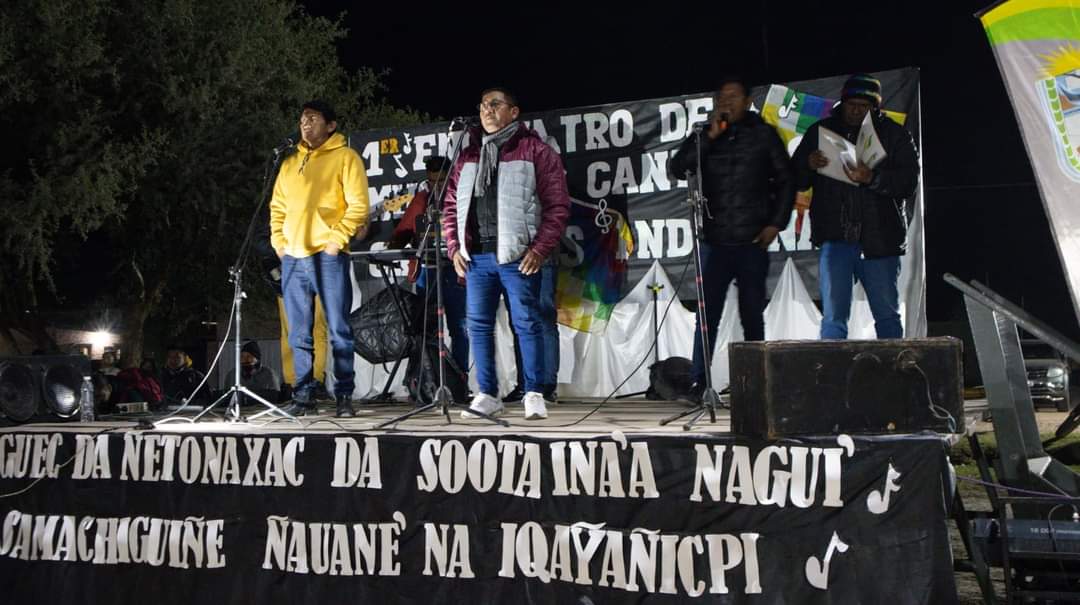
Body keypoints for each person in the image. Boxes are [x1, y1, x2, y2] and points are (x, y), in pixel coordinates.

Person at [443, 87, 570, 420]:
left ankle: (534, 393)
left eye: (495, 104)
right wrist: (454, 247)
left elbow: (557, 206)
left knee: (527, 323)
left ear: (514, 112)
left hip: (517, 255)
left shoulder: (535, 150)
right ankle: (487, 394)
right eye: (483, 105)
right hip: (477, 258)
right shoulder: (467, 156)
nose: (486, 110)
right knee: (478, 326)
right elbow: (450, 207)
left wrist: (540, 249)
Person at [669, 76, 795, 395]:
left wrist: (775, 224)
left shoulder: (764, 134)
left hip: (752, 241)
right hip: (714, 242)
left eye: (734, 96)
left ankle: (756, 384)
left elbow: (786, 180)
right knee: (706, 316)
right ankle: (699, 382)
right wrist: (708, 138)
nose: (726, 102)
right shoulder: (705, 134)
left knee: (751, 313)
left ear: (748, 102)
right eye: (721, 97)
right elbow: (678, 168)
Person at [792, 73, 919, 340]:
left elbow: (908, 183)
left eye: (864, 106)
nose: (857, 111)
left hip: (880, 239)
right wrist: (807, 164)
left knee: (887, 316)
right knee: (833, 318)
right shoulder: (819, 131)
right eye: (852, 104)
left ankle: (896, 367)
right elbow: (796, 180)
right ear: (843, 102)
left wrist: (872, 177)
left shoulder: (895, 134)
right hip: (835, 238)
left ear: (876, 107)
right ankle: (831, 368)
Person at [270, 99, 369, 418]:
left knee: (338, 329)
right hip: (293, 258)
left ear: (331, 125)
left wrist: (335, 242)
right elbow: (277, 208)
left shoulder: (346, 157)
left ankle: (344, 396)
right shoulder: (289, 163)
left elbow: (358, 206)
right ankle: (303, 395)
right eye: (303, 119)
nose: (305, 123)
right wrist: (279, 243)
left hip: (327, 256)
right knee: (298, 333)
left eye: (313, 118)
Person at [387, 155, 470, 375]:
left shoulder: (461, 197)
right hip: (427, 271)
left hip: (455, 271)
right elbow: (403, 231)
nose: (436, 186)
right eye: (432, 181)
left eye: (441, 180)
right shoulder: (421, 201)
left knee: (459, 326)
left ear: (451, 177)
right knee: (426, 328)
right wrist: (393, 246)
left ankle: (460, 378)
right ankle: (429, 378)